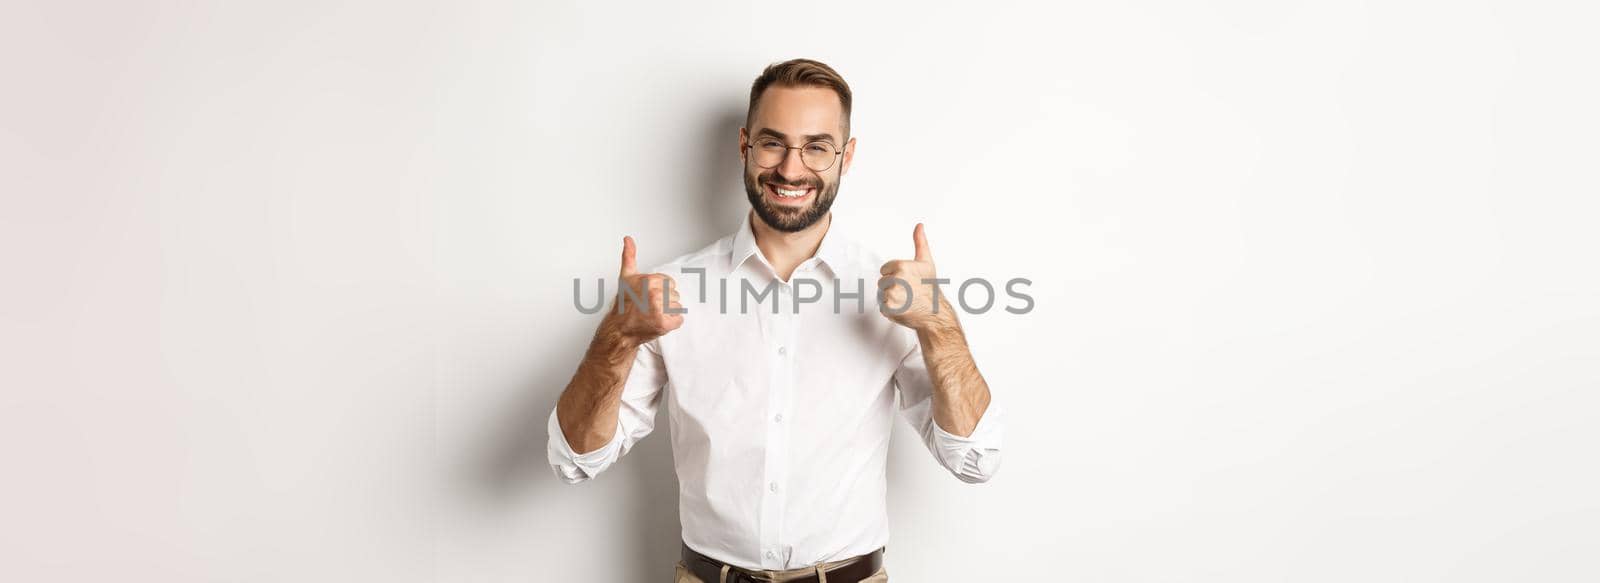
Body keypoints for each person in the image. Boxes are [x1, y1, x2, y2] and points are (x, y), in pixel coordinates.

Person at [548, 58, 1004, 583]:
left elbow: (976, 459)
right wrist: (615, 337)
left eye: (817, 147)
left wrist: (938, 325)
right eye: (773, 143)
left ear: (846, 156)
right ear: (744, 146)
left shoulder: (897, 296)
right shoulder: (670, 292)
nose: (791, 169)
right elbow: (575, 461)